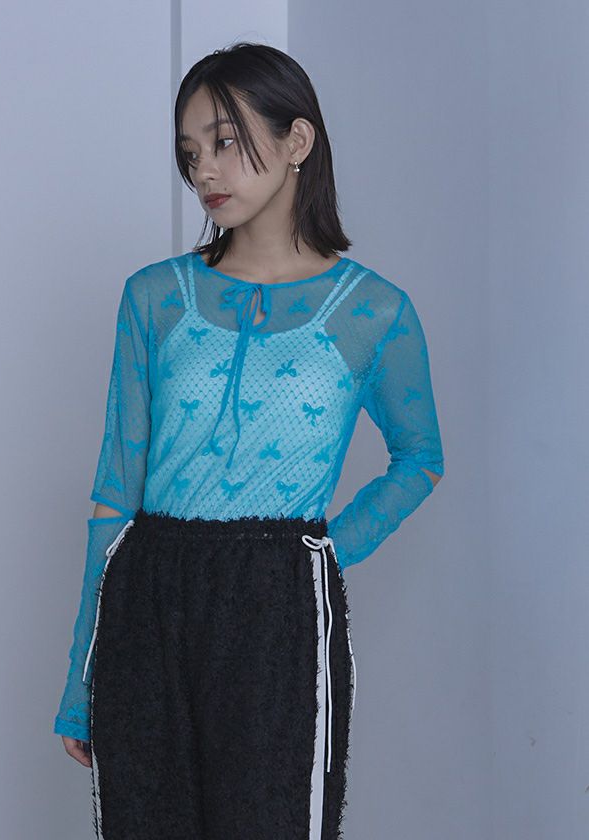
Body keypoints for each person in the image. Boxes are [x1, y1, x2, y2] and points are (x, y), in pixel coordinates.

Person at [53, 41, 444, 840]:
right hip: (147, 593)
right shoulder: (154, 296)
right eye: (190, 152)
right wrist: (78, 677)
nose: (205, 169)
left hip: (280, 607)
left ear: (298, 141)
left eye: (226, 141)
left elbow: (421, 458)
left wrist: (321, 552)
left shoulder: (374, 311)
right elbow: (112, 492)